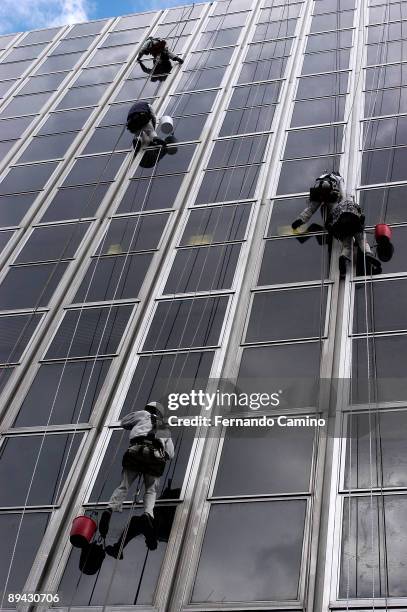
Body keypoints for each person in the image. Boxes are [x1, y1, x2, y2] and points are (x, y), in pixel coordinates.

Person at [99, 401, 174, 549]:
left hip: (136, 451)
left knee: (124, 485)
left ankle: (110, 509)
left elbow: (124, 422)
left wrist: (137, 426)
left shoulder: (142, 414)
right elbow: (170, 454)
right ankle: (148, 514)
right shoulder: (165, 427)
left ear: (149, 409)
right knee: (151, 490)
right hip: (155, 455)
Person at [292, 171, 382, 277]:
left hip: (320, 190)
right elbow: (343, 193)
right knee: (359, 240)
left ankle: (300, 219)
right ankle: (367, 253)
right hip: (347, 217)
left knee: (312, 208)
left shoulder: (321, 176)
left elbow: (311, 205)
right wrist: (343, 202)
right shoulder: (339, 179)